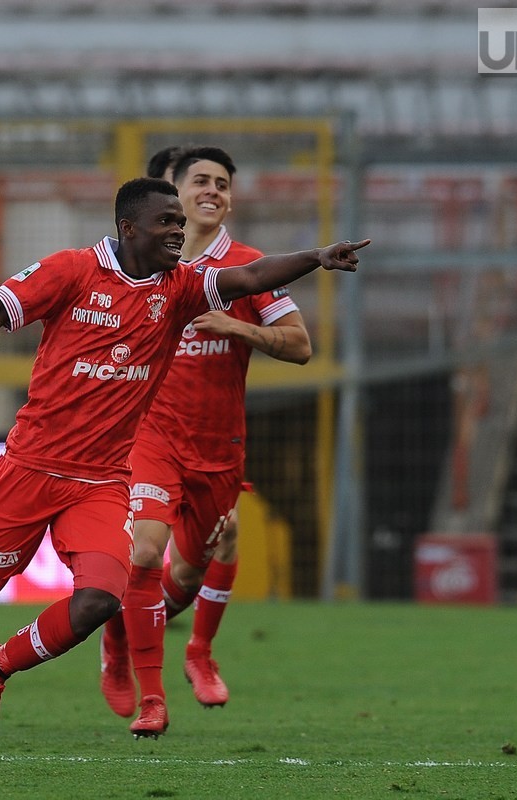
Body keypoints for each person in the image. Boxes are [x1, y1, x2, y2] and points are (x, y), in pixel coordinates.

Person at [0, 177, 367, 772]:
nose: (178, 231)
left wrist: (317, 259)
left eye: (180, 222)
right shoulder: (71, 270)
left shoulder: (181, 288)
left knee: (98, 601)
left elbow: (249, 277)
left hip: (101, 480)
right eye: (166, 223)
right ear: (129, 229)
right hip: (30, 470)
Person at [100, 146, 313, 737]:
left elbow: (300, 347)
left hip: (218, 446)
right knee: (143, 551)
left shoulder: (248, 266)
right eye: (200, 181)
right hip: (152, 439)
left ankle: (160, 641)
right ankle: (151, 692)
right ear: (173, 193)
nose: (213, 191)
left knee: (191, 573)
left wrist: (234, 325)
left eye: (223, 183)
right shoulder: (143, 264)